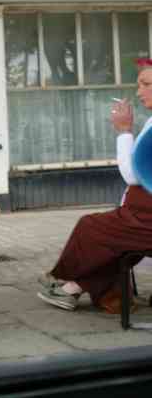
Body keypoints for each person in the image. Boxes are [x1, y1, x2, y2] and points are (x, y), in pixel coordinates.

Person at [38, 61, 152, 312]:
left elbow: (134, 175)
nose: (138, 91)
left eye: (146, 84)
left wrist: (123, 131)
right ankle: (83, 291)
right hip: (140, 212)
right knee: (106, 236)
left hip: (146, 218)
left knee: (92, 228)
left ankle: (69, 285)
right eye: (138, 84)